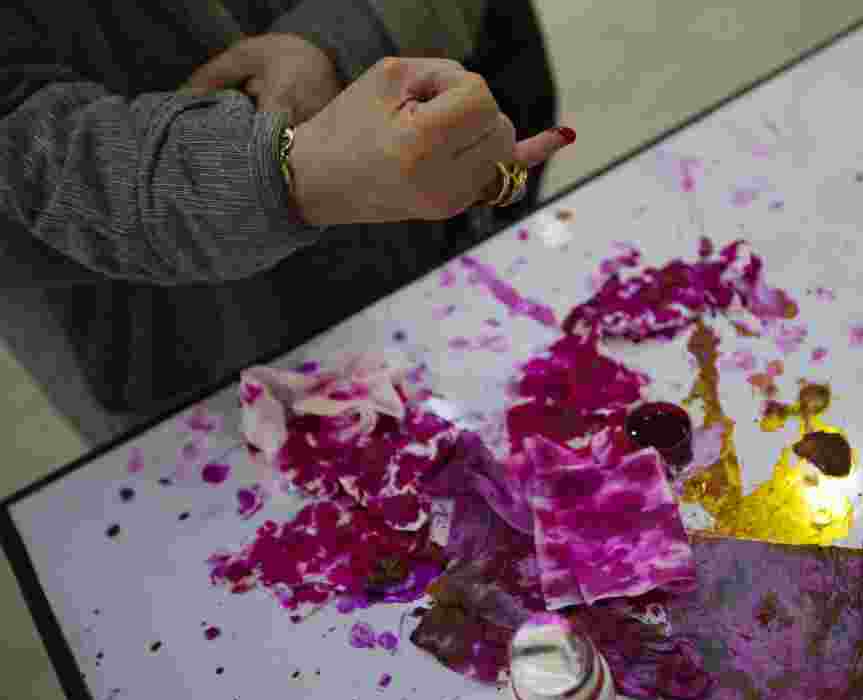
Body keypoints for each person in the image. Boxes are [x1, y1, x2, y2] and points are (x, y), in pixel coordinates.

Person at [0, 0, 573, 448]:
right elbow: (29, 139)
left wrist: (336, 42)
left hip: (414, 245)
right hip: (179, 333)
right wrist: (279, 173)